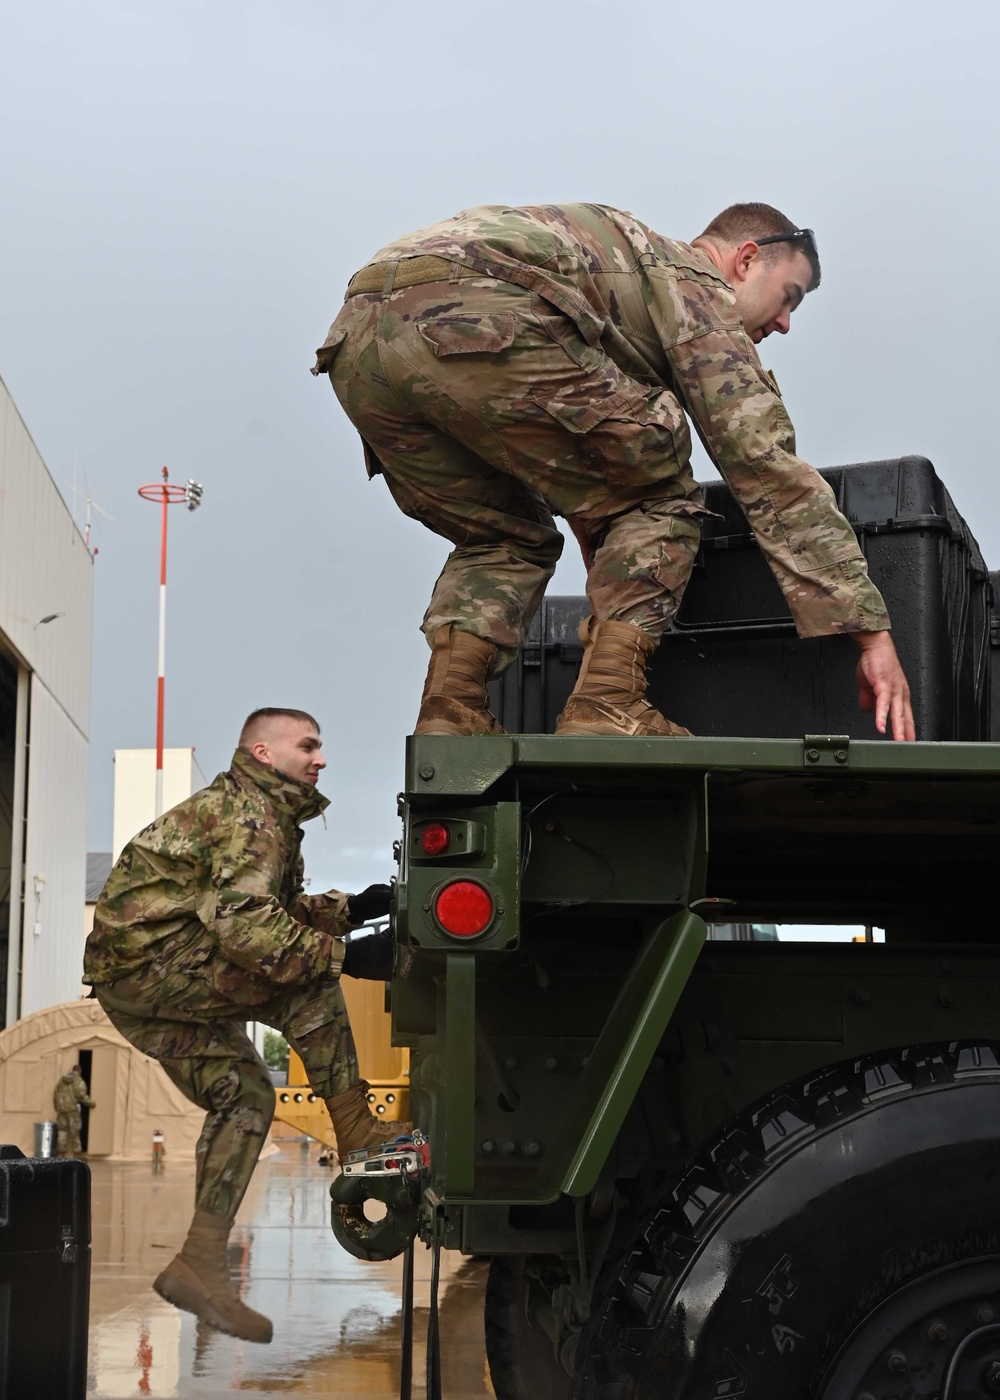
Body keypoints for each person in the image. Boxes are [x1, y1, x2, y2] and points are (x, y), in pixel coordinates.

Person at [313, 202, 914, 742]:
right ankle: (608, 701)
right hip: (481, 310)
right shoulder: (693, 281)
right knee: (661, 497)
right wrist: (871, 634)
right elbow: (762, 460)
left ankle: (451, 709)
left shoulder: (622, 265)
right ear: (745, 260)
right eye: (790, 296)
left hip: (359, 340)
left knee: (505, 534)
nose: (785, 323)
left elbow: (579, 456)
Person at [83, 707, 406, 1343]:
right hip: (153, 968)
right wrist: (350, 957)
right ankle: (358, 1133)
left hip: (133, 988)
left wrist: (355, 908)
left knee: (246, 1093)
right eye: (307, 745)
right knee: (306, 976)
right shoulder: (248, 815)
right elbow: (250, 931)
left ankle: (199, 1264)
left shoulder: (260, 815)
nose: (320, 759)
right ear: (261, 751)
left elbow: (270, 910)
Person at [53, 1064, 94, 1157]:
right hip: (72, 1110)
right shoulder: (78, 1081)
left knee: (62, 1131)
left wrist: (56, 1105)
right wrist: (91, 1103)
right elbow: (82, 1096)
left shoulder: (62, 1080)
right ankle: (77, 1153)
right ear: (79, 1071)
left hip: (61, 1109)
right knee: (75, 1131)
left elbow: (55, 1093)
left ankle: (61, 1153)